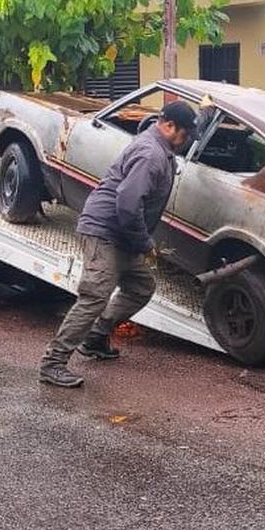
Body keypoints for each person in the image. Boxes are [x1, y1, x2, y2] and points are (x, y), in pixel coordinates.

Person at [39, 99, 199, 388]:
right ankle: (53, 363)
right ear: (168, 126)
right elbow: (127, 204)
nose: (185, 141)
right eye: (185, 135)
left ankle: (95, 337)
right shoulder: (151, 153)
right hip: (105, 231)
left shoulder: (161, 148)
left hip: (121, 234)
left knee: (141, 287)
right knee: (94, 297)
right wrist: (144, 243)